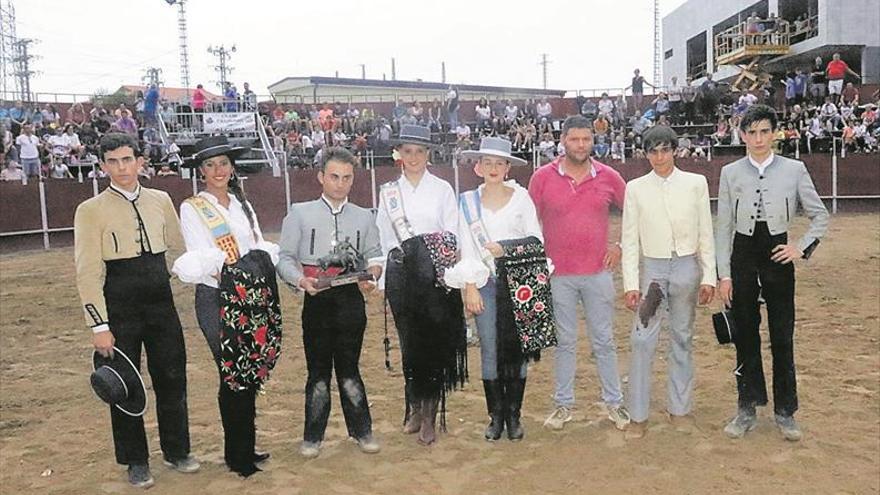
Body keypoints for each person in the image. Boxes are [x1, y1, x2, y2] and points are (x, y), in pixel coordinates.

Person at [73, 133, 198, 489]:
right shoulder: (90, 210)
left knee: (173, 377)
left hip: (161, 300)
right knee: (125, 385)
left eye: (127, 159)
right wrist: (99, 324)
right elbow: (88, 270)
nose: (121, 168)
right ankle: (136, 459)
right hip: (119, 301)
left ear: (140, 161)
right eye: (112, 161)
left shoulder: (160, 200)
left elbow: (179, 249)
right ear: (102, 166)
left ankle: (177, 450)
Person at [716, 104, 829, 442]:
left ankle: (785, 411)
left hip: (779, 255)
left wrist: (800, 247)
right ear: (742, 135)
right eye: (752, 132)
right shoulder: (730, 172)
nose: (758, 138)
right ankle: (747, 406)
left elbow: (819, 215)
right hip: (743, 254)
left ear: (775, 133)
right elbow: (724, 227)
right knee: (745, 334)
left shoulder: (794, 169)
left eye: (765, 131)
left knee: (782, 335)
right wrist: (725, 273)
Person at [172, 135, 282, 477]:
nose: (218, 170)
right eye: (210, 165)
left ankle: (245, 446)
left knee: (248, 370)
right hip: (218, 297)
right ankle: (237, 454)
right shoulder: (193, 207)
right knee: (232, 371)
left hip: (251, 295)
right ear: (201, 171)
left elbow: (258, 242)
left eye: (223, 163)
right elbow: (203, 256)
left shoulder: (241, 203)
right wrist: (241, 264)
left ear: (232, 167)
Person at [444, 137, 554, 442]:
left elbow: (536, 241)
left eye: (499, 163)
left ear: (507, 167)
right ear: (478, 167)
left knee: (516, 352)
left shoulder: (522, 199)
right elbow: (465, 248)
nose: (493, 168)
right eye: (487, 163)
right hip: (485, 284)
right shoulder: (466, 201)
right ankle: (496, 416)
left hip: (519, 284)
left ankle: (514, 415)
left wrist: (504, 249)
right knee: (491, 348)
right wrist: (469, 287)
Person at [277, 147, 383, 458]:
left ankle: (362, 431)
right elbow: (284, 258)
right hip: (317, 297)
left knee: (350, 369)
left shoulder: (364, 217)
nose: (340, 183)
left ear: (353, 179)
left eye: (347, 178)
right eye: (334, 176)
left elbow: (375, 255)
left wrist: (372, 275)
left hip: (351, 298)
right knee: (318, 371)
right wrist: (299, 280)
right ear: (321, 177)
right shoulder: (299, 212)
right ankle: (313, 436)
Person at [528, 115, 631, 431]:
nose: (581, 145)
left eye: (586, 139)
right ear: (563, 140)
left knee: (604, 340)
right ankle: (563, 405)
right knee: (565, 342)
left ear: (593, 140)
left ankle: (614, 403)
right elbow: (528, 223)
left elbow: (635, 215)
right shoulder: (542, 177)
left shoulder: (609, 176)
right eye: (574, 139)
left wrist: (619, 245)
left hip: (599, 272)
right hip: (558, 274)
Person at [620, 126, 716, 439]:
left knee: (683, 338)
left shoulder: (695, 183)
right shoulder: (635, 188)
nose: (659, 157)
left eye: (665, 150)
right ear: (645, 153)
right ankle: (638, 416)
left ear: (675, 150)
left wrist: (709, 275)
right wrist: (631, 284)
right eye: (653, 151)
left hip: (687, 267)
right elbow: (629, 239)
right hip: (653, 273)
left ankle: (680, 409)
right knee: (642, 340)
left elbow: (706, 233)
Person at [376, 124, 467, 446]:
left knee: (432, 347)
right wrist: (385, 282)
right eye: (407, 151)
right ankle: (413, 407)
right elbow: (385, 238)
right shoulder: (388, 191)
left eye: (419, 151)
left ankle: (430, 415)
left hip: (435, 279)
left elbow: (452, 233)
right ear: (399, 154)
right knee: (410, 346)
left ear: (428, 154)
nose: (413, 157)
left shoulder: (442, 189)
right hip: (402, 278)